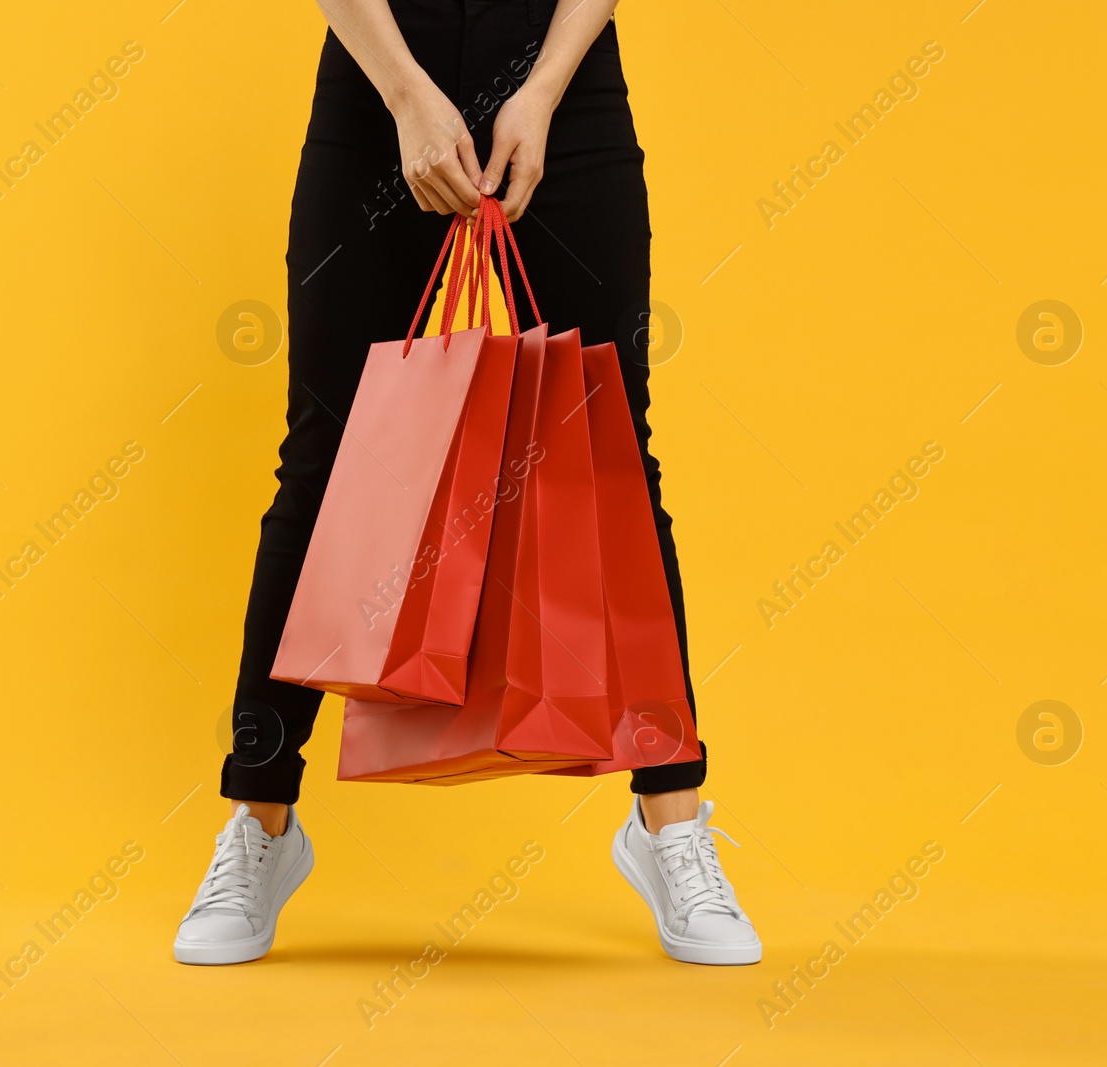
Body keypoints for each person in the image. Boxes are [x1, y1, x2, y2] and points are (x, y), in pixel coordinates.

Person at [173, 0, 761, 967]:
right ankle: (261, 822)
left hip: (564, 97)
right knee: (322, 463)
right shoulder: (388, 94)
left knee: (609, 445)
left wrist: (542, 88)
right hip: (378, 90)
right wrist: (405, 91)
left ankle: (671, 823)